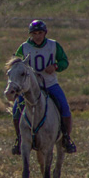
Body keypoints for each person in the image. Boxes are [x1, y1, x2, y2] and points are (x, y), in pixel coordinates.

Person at [11, 19, 76, 154]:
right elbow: (16, 63)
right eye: (34, 33)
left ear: (45, 33)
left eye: (40, 33)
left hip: (50, 83)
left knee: (64, 107)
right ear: (30, 34)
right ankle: (19, 139)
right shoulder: (24, 47)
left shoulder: (53, 45)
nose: (37, 36)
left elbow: (64, 61)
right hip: (30, 87)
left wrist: (56, 66)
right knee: (17, 110)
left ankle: (66, 138)